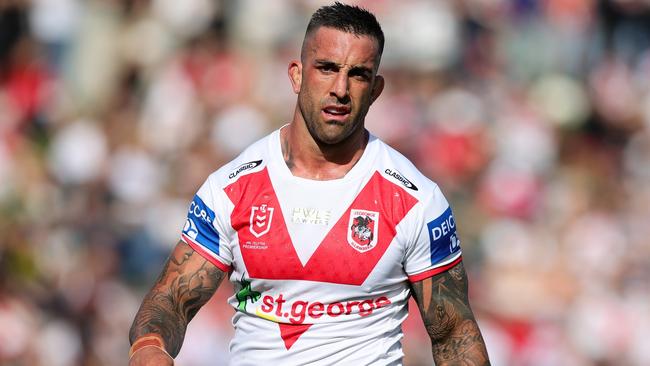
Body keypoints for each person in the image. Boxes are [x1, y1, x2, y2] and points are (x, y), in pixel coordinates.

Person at [129, 2, 490, 365]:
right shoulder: (232, 187)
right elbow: (172, 298)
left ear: (376, 89)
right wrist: (149, 349)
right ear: (297, 75)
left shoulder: (416, 200)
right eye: (327, 68)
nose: (340, 89)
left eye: (358, 75)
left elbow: (454, 332)